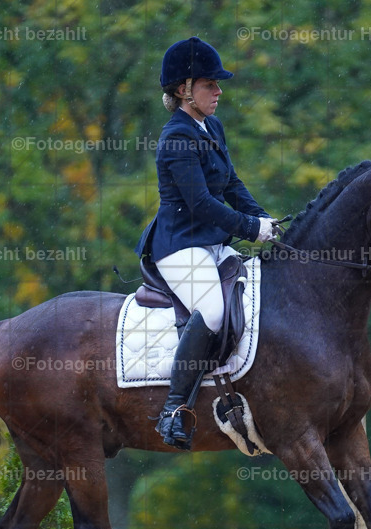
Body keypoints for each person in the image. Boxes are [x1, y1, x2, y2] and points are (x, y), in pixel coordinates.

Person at [135, 36, 278, 451]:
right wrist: (251, 228)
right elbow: (199, 203)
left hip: (214, 242)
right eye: (209, 84)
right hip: (181, 246)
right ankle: (173, 410)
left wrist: (264, 218)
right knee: (213, 310)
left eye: (217, 84)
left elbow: (231, 183)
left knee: (254, 297)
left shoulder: (211, 126)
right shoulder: (176, 138)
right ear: (183, 90)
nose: (219, 91)